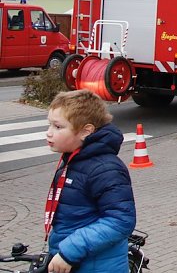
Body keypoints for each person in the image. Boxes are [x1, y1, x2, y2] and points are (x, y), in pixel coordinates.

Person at [45, 90, 136, 273]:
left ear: (86, 131)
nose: (49, 133)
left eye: (58, 127)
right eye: (49, 125)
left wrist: (69, 251)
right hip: (73, 261)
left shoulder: (105, 168)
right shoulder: (74, 159)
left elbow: (120, 219)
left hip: (96, 265)